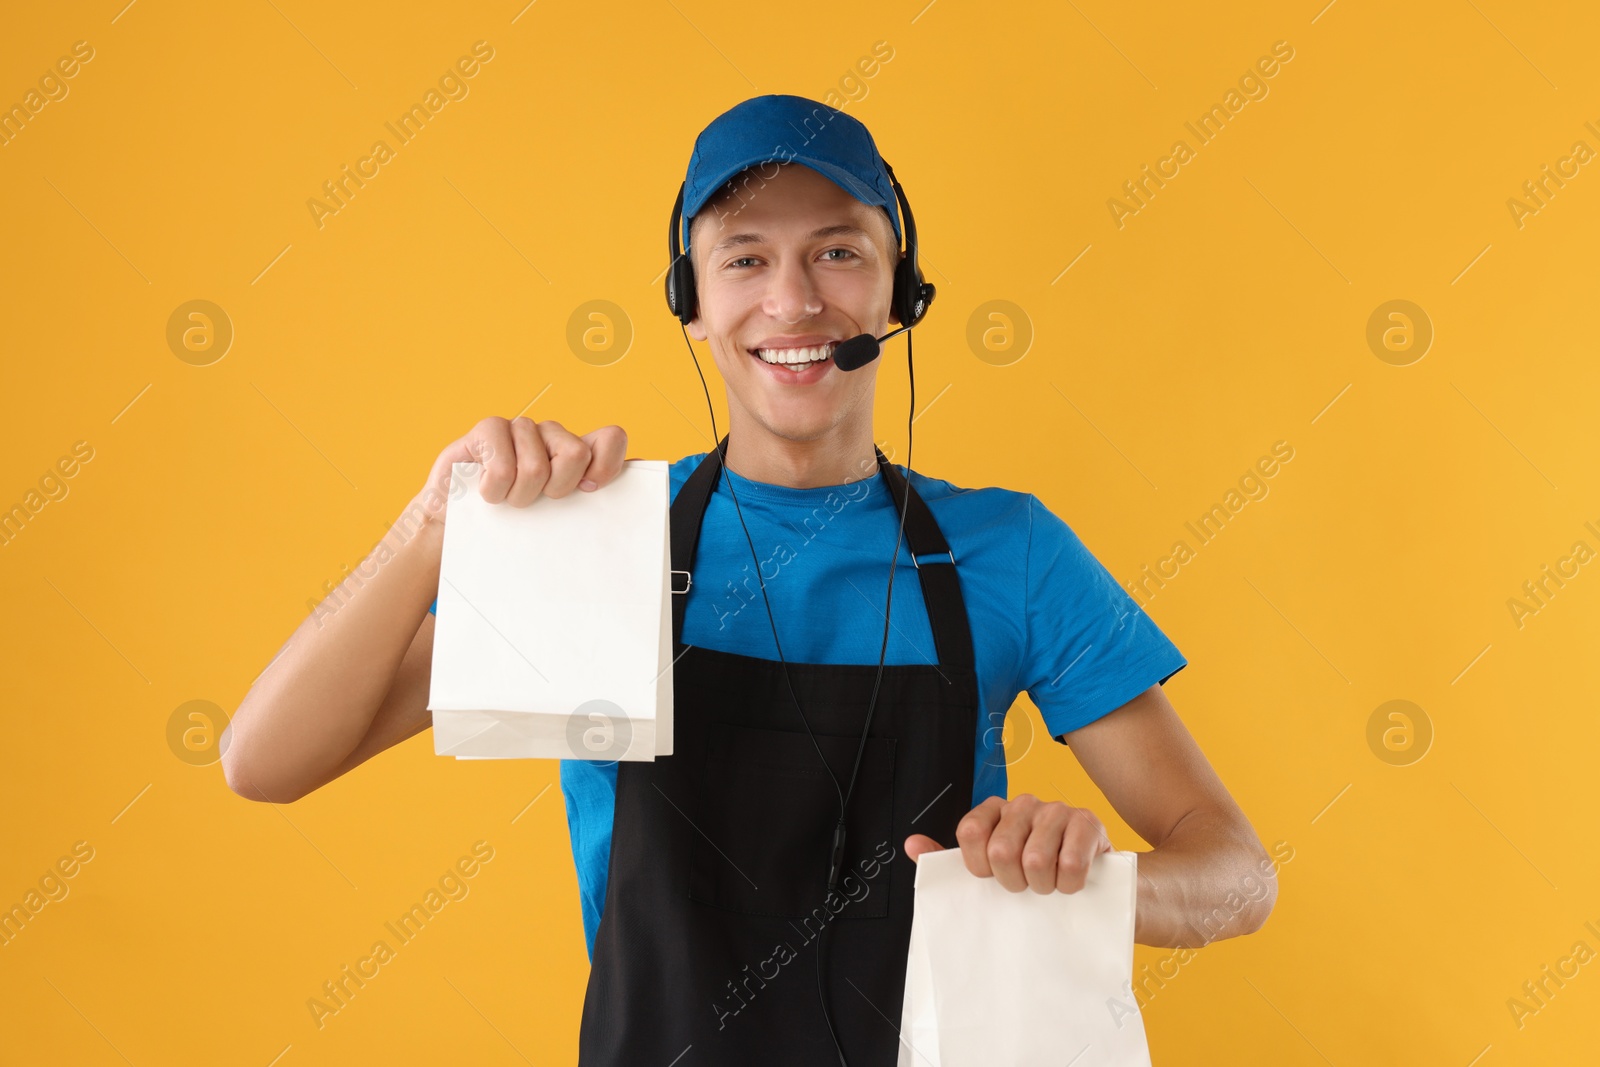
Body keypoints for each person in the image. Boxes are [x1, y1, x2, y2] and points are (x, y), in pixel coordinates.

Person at [225, 94, 1277, 1066]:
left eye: (836, 251)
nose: (793, 299)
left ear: (899, 289)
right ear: (690, 302)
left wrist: (1082, 883)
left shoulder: (1010, 550)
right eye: (742, 259)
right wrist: (428, 526)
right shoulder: (600, 539)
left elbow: (1236, 876)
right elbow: (262, 760)